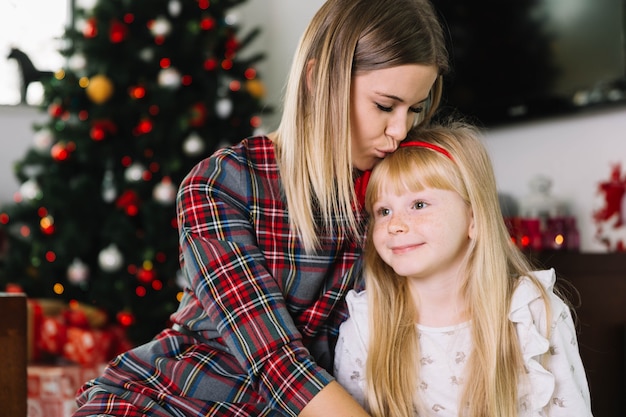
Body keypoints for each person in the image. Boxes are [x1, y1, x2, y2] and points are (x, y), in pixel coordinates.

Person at [73, 0, 449, 416]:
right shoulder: (219, 183)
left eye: (414, 110)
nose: (400, 131)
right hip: (175, 400)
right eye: (384, 106)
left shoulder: (393, 201)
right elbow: (276, 363)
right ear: (317, 80)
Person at [334, 121, 593, 417]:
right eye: (384, 211)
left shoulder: (531, 313)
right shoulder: (367, 322)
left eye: (418, 204)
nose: (395, 224)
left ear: (473, 218)